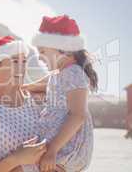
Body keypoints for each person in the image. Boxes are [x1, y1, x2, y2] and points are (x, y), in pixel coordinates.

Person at [28, 15, 98, 172]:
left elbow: (77, 115)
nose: (39, 56)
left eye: (43, 51)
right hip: (60, 147)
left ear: (64, 49)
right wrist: (24, 87)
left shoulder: (73, 72)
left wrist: (52, 150)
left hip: (66, 148)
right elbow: (43, 84)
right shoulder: (59, 73)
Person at [0, 35, 47, 172]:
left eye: (24, 61)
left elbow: (62, 78)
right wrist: (17, 158)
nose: (21, 68)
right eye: (15, 61)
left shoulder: (36, 99)